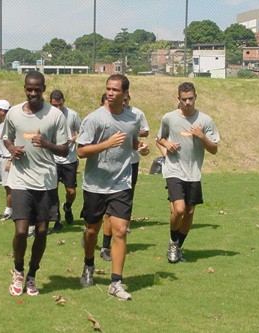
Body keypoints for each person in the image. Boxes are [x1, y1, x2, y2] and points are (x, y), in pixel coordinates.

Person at [77, 74, 149, 301]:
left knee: (119, 230)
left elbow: (132, 141)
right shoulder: (94, 119)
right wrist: (107, 144)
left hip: (121, 182)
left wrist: (141, 148)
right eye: (108, 89)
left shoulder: (133, 118)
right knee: (91, 231)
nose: (110, 93)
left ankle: (116, 282)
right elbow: (80, 151)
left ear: (125, 94)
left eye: (115, 90)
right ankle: (89, 264)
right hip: (95, 184)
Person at [3, 71, 68, 296]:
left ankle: (32, 274)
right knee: (21, 231)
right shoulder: (13, 113)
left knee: (41, 231)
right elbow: (6, 137)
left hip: (46, 181)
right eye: (29, 89)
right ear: (24, 88)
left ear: (44, 88)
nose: (32, 93)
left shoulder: (55, 116)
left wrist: (46, 143)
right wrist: (11, 149)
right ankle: (18, 270)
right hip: (20, 179)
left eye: (37, 89)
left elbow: (65, 149)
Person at [157, 82, 219, 263]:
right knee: (179, 209)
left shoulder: (205, 120)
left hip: (193, 172)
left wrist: (202, 137)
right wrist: (167, 144)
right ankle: (173, 242)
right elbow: (159, 138)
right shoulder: (169, 118)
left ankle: (176, 246)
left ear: (196, 97)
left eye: (191, 98)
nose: (188, 102)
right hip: (174, 169)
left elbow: (214, 149)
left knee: (189, 213)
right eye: (184, 99)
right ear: (178, 99)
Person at [100, 93, 149, 261]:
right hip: (108, 166)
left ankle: (115, 234)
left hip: (130, 164)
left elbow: (143, 133)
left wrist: (140, 146)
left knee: (125, 196)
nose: (124, 103)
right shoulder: (103, 116)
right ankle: (99, 239)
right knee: (105, 209)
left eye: (127, 100)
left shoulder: (136, 115)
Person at [49, 89, 81, 232]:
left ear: (63, 102)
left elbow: (82, 132)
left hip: (69, 159)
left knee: (71, 191)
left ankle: (67, 206)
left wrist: (72, 140)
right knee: (52, 190)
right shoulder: (47, 116)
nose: (58, 108)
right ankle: (57, 219)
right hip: (52, 160)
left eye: (60, 105)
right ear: (50, 103)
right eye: (55, 105)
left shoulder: (72, 114)